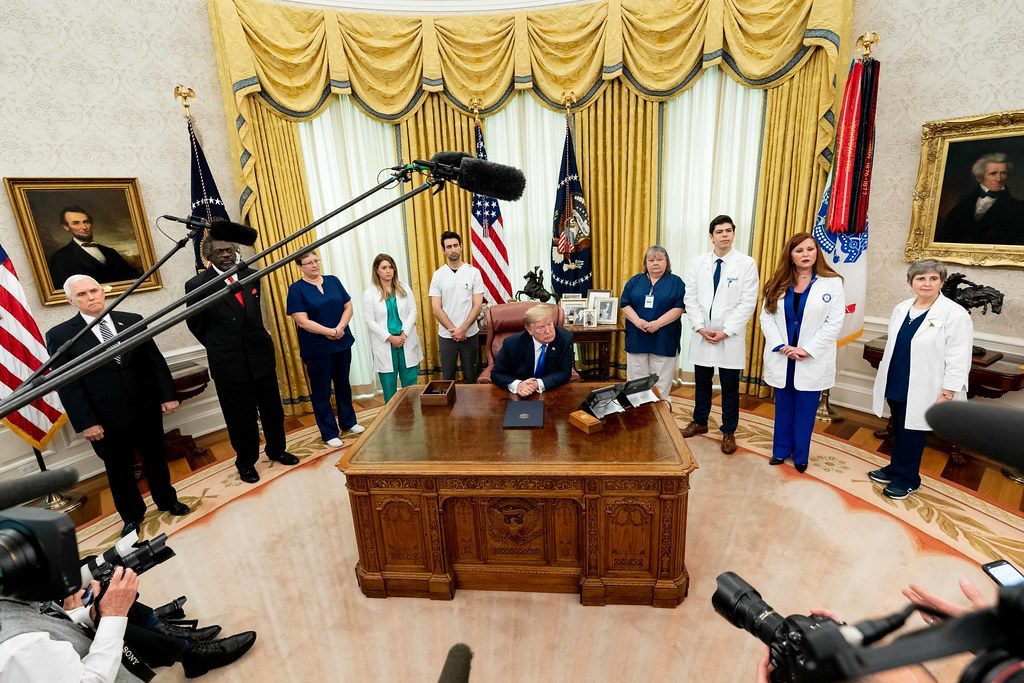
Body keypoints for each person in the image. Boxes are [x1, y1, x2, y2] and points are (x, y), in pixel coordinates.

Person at [45, 275, 190, 538]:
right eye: (82, 294)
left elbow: (154, 361)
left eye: (94, 290)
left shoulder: (132, 320)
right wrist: (86, 422)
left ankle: (168, 501)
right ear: (70, 301)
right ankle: (132, 517)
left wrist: (168, 395)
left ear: (103, 291)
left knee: (156, 458)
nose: (91, 297)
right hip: (105, 417)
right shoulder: (61, 336)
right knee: (119, 470)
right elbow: (69, 384)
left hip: (145, 408)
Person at [0, 566, 257, 681]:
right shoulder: (17, 648)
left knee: (109, 599)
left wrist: (80, 615)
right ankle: (189, 651)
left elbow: (50, 629)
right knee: (111, 613)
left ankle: (180, 644)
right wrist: (111, 616)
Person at [184, 238, 298, 484]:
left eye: (229, 250)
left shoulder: (251, 275)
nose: (225, 254)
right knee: (240, 417)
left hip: (260, 357)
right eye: (218, 251)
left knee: (272, 411)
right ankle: (246, 462)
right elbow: (196, 324)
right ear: (208, 256)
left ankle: (277, 450)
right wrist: (221, 344)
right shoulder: (197, 284)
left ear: (236, 251)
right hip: (229, 362)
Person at [870, 259, 973, 499]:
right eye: (921, 278)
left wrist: (947, 393)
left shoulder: (954, 314)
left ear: (941, 282)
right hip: (897, 378)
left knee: (913, 431)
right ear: (911, 282)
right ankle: (895, 468)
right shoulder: (902, 308)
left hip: (926, 385)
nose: (926, 284)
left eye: (933, 278)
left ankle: (908, 479)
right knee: (899, 426)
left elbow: (959, 357)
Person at [759, 233, 845, 473]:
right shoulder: (777, 281)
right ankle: (780, 450)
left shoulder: (833, 282)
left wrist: (807, 349)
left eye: (810, 249)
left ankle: (800, 456)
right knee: (783, 406)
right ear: (790, 255)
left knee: (806, 409)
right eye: (799, 250)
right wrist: (781, 346)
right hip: (783, 355)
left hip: (811, 357)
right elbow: (766, 317)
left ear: (817, 252)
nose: (806, 254)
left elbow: (834, 323)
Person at [681, 215, 760, 454]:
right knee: (702, 383)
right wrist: (698, 327)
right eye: (719, 231)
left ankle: (729, 430)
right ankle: (700, 421)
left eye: (728, 231)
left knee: (729, 386)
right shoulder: (698, 263)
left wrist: (726, 331)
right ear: (711, 236)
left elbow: (748, 302)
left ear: (734, 234)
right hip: (703, 334)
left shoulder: (746, 264)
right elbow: (690, 297)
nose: (724, 235)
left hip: (730, 337)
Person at [286, 251, 364, 447]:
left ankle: (349, 422)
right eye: (308, 263)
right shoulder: (296, 290)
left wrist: (339, 329)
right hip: (317, 349)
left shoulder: (333, 280)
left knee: (343, 384)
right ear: (300, 267)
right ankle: (329, 432)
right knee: (321, 391)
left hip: (341, 343)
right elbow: (302, 321)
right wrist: (328, 331)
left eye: (316, 261)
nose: (314, 265)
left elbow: (348, 307)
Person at [620, 245, 686, 402]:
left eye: (659, 259)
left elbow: (680, 307)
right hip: (638, 337)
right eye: (651, 260)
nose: (655, 263)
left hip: (664, 338)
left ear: (666, 262)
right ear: (646, 263)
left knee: (660, 382)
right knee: (636, 381)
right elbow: (625, 303)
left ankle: (660, 413)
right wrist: (637, 321)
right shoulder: (635, 281)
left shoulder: (676, 282)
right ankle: (638, 410)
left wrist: (658, 323)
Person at [362, 253, 423, 403]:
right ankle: (391, 421)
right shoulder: (369, 293)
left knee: (410, 384)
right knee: (389, 386)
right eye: (384, 268)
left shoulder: (404, 288)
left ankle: (414, 419)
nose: (388, 271)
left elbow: (412, 312)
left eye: (391, 267)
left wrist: (403, 334)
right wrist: (391, 338)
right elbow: (370, 321)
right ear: (377, 270)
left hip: (405, 340)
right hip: (385, 343)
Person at [429, 231, 485, 383]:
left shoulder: (474, 273)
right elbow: (436, 308)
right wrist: (454, 330)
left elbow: (477, 304)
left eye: (455, 245)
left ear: (461, 247)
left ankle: (471, 407)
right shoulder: (438, 275)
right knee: (448, 378)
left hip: (470, 334)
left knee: (471, 377)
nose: (453, 249)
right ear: (444, 250)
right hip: (447, 335)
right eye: (449, 247)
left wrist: (463, 329)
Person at [935, 153, 1023, 245]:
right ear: (979, 177)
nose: (999, 179)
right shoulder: (960, 208)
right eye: (993, 173)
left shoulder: (1019, 208)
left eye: (1003, 173)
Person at [490, 304, 574, 396]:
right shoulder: (512, 343)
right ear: (529, 330)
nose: (548, 331)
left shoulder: (565, 339)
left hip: (551, 391)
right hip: (519, 395)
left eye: (549, 324)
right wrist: (518, 385)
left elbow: (564, 373)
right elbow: (497, 374)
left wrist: (537, 384)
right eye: (541, 327)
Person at [48, 206, 142, 288]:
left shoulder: (110, 252)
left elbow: (135, 278)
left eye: (86, 222)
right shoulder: (60, 258)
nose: (84, 227)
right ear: (66, 227)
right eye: (76, 223)